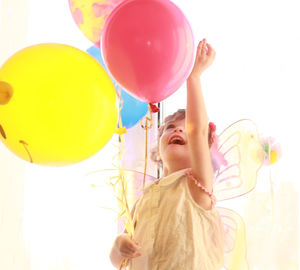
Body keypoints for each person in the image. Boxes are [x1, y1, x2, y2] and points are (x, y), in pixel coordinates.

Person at [109, 39, 224, 270]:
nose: (178, 129)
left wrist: (194, 77)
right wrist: (119, 244)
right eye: (169, 127)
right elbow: (116, 259)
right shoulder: (144, 198)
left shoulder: (196, 184)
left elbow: (197, 129)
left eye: (184, 127)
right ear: (158, 151)